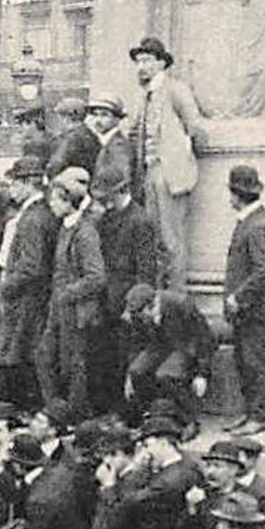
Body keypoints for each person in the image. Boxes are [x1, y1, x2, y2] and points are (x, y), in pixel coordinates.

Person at [129, 37, 208, 289]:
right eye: (139, 61)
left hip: (169, 173)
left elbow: (195, 126)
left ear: (161, 63)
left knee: (171, 240)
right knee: (155, 239)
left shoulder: (175, 90)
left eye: (147, 60)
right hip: (149, 173)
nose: (142, 66)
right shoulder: (146, 96)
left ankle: (175, 298)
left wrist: (182, 160)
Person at [90, 165, 161, 414]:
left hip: (128, 306)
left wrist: (134, 308)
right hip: (109, 302)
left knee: (128, 361)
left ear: (121, 191)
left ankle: (130, 414)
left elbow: (146, 271)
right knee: (109, 359)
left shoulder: (140, 221)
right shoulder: (108, 218)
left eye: (107, 197)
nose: (104, 202)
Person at [37, 168, 107, 417]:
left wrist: (68, 292)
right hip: (60, 308)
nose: (51, 204)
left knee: (75, 366)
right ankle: (56, 412)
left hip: (77, 312)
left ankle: (75, 416)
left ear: (68, 201)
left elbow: (96, 277)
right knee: (46, 358)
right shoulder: (66, 227)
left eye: (55, 199)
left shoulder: (85, 233)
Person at [0, 155, 59, 410]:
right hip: (36, 297)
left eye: (14, 183)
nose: (11, 189)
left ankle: (17, 409)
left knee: (18, 353)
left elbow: (32, 266)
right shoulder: (43, 212)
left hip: (27, 298)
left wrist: (6, 285)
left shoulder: (31, 219)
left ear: (28, 183)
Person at [222, 164, 265, 433]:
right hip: (247, 312)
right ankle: (251, 413)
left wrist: (238, 298)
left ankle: (259, 416)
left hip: (256, 311)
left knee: (257, 364)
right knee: (246, 364)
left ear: (237, 195)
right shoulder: (251, 221)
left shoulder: (258, 226)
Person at [122, 284, 214, 429]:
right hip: (158, 346)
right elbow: (136, 344)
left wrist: (202, 373)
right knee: (137, 372)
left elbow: (204, 338)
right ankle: (149, 415)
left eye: (140, 313)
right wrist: (130, 374)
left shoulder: (182, 304)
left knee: (166, 375)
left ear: (149, 307)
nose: (138, 318)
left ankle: (187, 419)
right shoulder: (137, 314)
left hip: (185, 346)